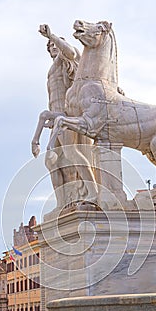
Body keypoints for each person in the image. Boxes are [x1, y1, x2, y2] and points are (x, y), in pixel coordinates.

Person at [31, 24, 98, 209]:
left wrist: (51, 36)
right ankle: (63, 203)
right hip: (56, 120)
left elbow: (72, 53)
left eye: (55, 45)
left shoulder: (66, 59)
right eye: (50, 47)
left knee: (71, 156)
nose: (52, 48)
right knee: (53, 163)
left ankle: (93, 192)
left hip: (68, 118)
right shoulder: (52, 69)